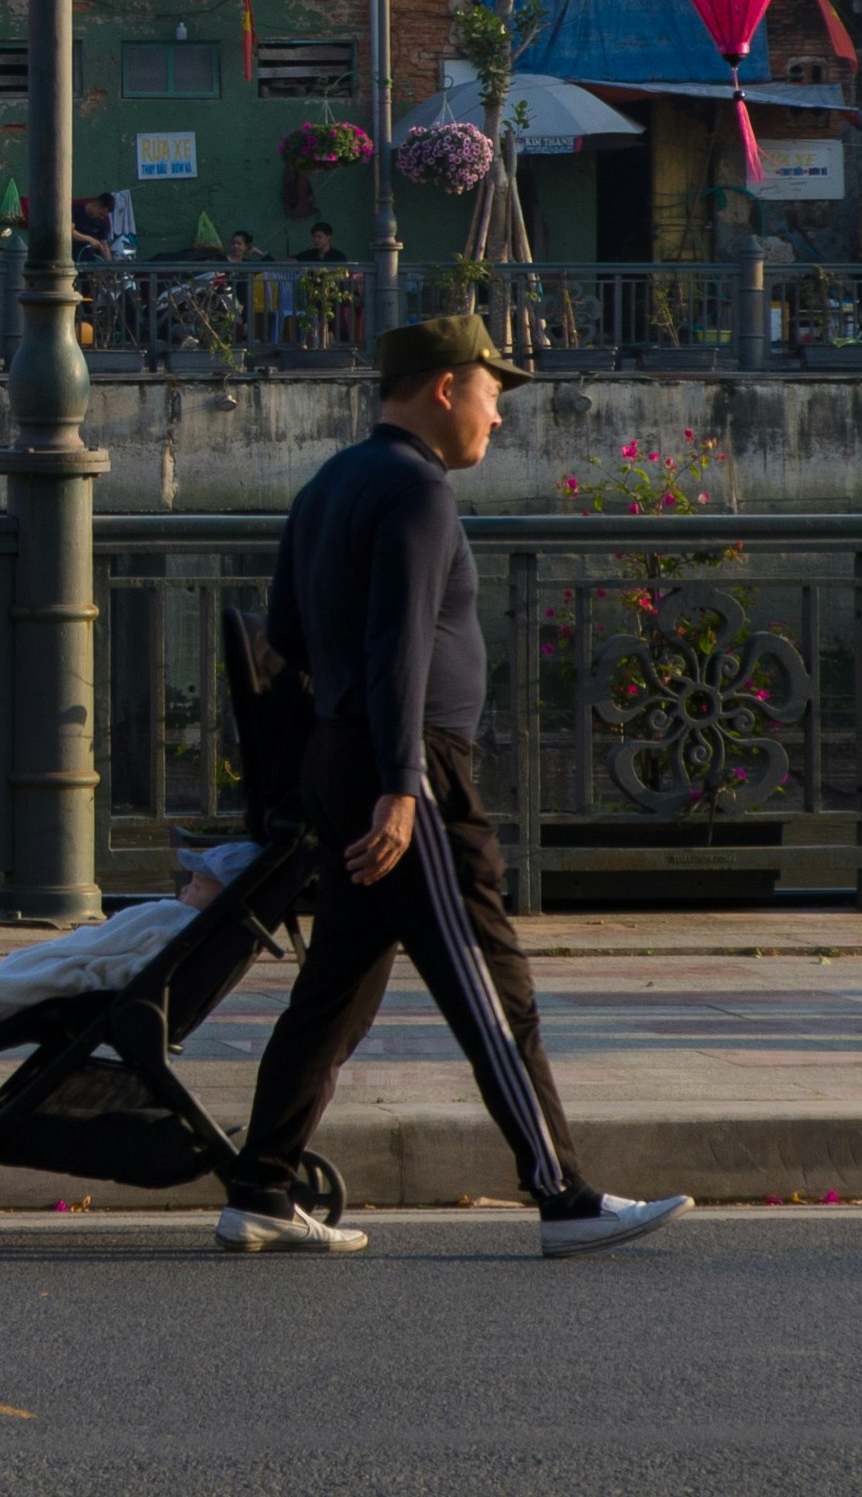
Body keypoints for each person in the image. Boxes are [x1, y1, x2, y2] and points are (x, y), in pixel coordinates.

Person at [220, 316, 688, 1259]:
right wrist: (400, 786)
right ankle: (562, 1196)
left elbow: (287, 639)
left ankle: (262, 1189)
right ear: (443, 387)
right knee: (490, 978)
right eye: (491, 393)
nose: (498, 418)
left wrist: (341, 768)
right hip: (409, 769)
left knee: (336, 990)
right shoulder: (417, 490)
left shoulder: (327, 485)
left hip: (340, 755)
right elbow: (398, 648)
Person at [0, 838, 262, 1027]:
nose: (183, 891)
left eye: (195, 886)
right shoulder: (206, 931)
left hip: (123, 993)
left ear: (222, 897)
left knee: (54, 961)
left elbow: (116, 952)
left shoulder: (177, 921)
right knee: (56, 954)